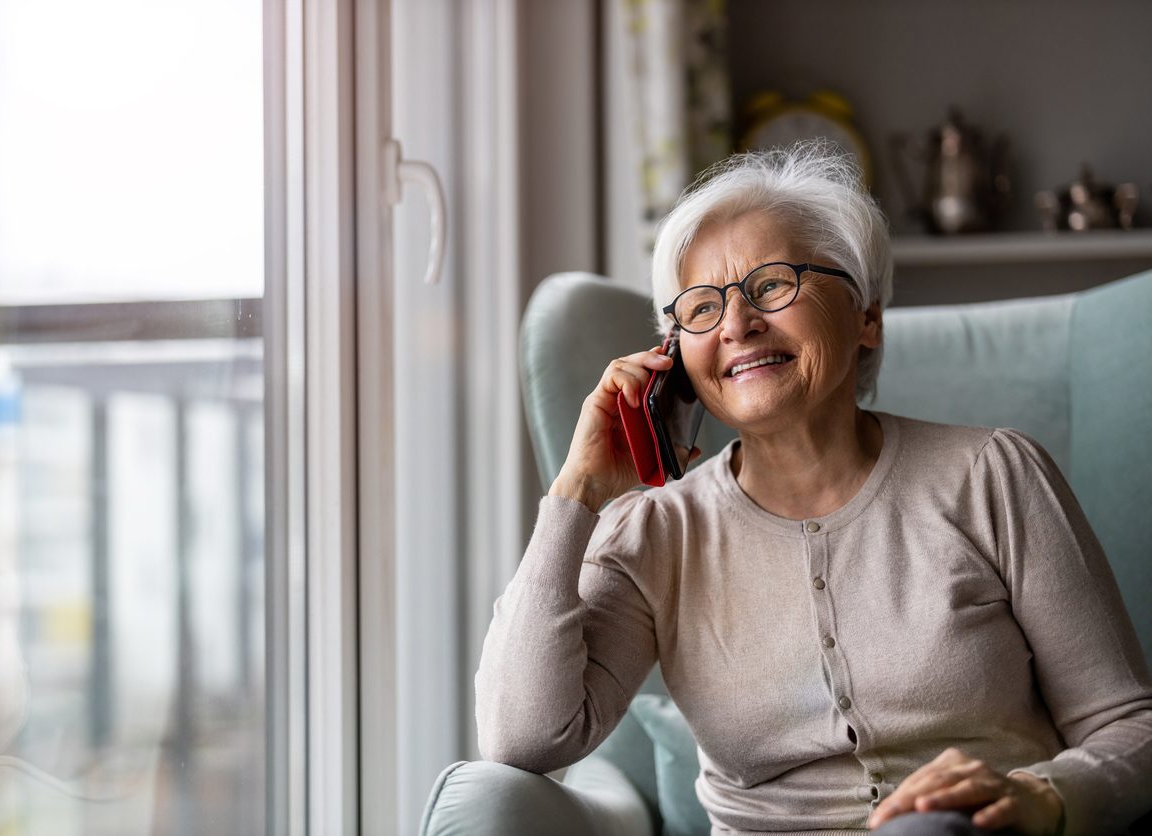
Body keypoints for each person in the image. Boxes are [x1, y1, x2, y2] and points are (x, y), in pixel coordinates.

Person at [474, 143, 1152, 836]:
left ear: (868, 317)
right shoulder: (655, 532)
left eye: (771, 285)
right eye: (701, 308)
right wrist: (576, 493)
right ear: (675, 359)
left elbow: (1129, 726)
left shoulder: (991, 477)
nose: (737, 325)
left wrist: (1045, 796)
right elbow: (524, 738)